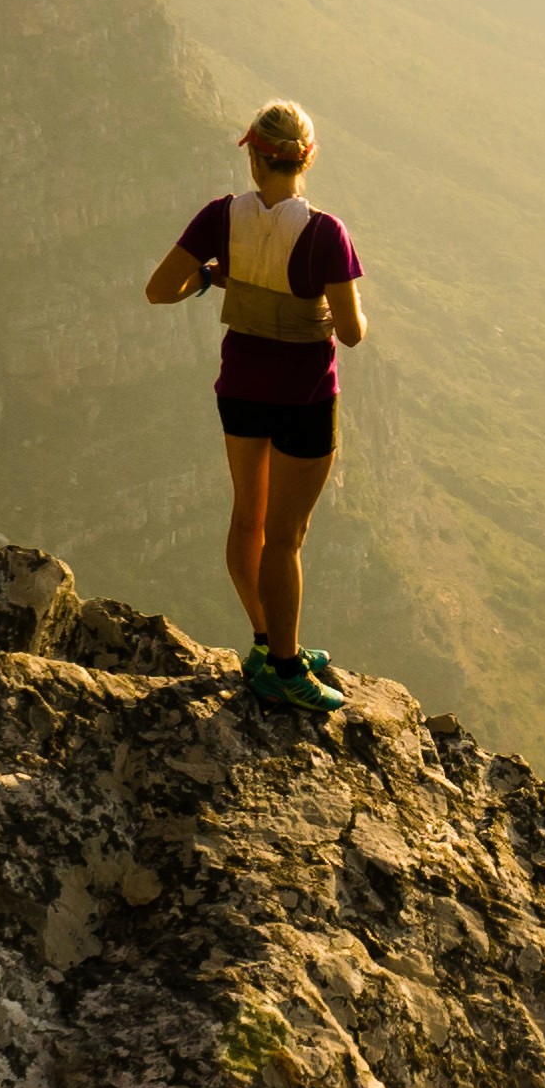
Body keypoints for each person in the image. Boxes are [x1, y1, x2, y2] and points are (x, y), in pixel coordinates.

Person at [145, 100, 369, 711]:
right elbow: (350, 333)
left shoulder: (222, 218)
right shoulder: (326, 234)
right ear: (308, 157)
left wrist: (219, 280)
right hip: (303, 396)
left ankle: (266, 642)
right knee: (286, 536)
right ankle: (287, 668)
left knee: (248, 518)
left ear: (252, 155)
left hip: (240, 388)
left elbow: (161, 290)